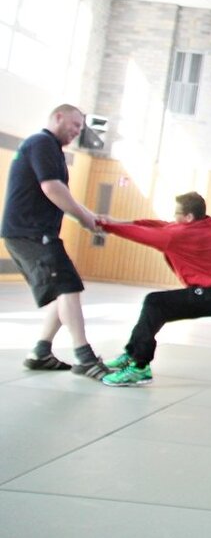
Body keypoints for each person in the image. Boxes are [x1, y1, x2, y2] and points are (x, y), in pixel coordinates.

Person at [2, 104, 108, 381]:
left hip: (33, 232)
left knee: (62, 289)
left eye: (80, 129)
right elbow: (52, 188)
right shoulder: (42, 143)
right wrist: (85, 217)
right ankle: (83, 356)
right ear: (58, 117)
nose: (76, 132)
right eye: (74, 125)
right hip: (31, 232)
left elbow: (56, 192)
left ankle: (40, 352)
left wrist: (87, 217)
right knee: (67, 286)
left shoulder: (50, 149)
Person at [95, 192, 211, 387]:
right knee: (158, 309)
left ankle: (139, 368)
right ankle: (132, 355)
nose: (173, 217)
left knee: (155, 302)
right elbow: (158, 225)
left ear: (189, 217)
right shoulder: (204, 223)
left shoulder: (183, 234)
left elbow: (146, 235)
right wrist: (117, 222)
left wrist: (107, 226)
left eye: (177, 213)